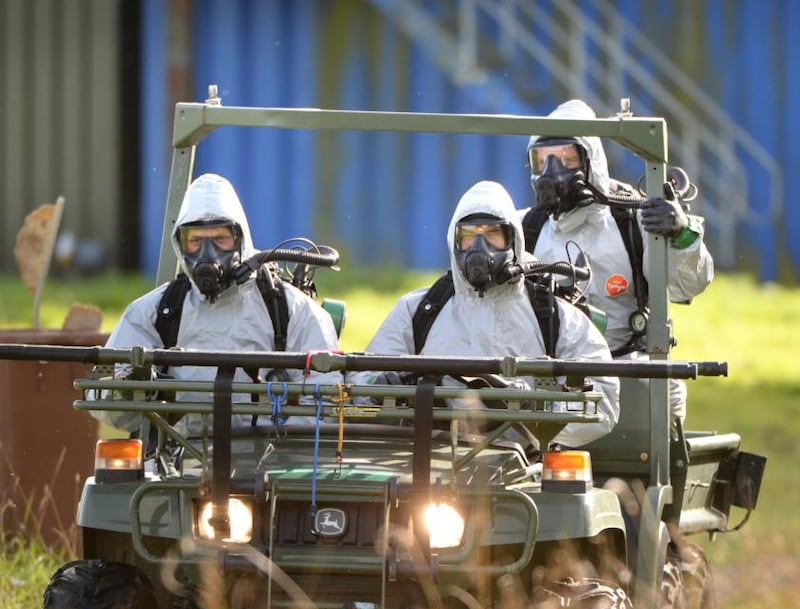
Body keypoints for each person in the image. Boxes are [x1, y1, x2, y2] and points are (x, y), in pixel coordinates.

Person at [360, 179, 620, 450]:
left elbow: (603, 396)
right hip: (430, 464)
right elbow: (360, 383)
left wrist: (543, 419)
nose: (479, 247)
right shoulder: (418, 310)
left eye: (493, 233)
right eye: (469, 236)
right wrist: (378, 389)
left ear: (514, 242)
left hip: (528, 468)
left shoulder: (553, 316)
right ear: (454, 242)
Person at [92, 172, 340, 435]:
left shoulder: (292, 310)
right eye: (196, 241)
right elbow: (110, 409)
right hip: (178, 463)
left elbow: (328, 403)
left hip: (269, 465)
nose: (207, 255)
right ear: (181, 245)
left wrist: (274, 452)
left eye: (220, 240)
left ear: (240, 240)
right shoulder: (152, 313)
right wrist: (128, 389)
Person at [519, 99, 714, 423]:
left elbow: (685, 287)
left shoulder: (633, 220)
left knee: (662, 402)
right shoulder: (524, 229)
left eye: (566, 158)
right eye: (542, 160)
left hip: (629, 373)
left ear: (590, 161)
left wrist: (682, 234)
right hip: (546, 380)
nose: (551, 173)